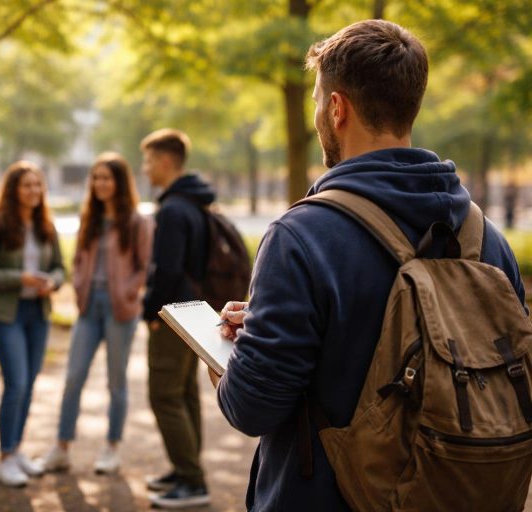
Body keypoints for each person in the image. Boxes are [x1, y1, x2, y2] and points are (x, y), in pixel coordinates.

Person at [212, 20, 527, 511]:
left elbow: (252, 407)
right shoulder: (485, 238)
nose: (317, 112)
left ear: (337, 108)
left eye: (318, 100)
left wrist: (231, 369)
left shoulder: (301, 238)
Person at [42, 152, 154, 474]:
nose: (100, 183)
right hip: (89, 307)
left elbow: (145, 266)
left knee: (116, 382)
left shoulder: (137, 221)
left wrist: (127, 291)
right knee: (74, 376)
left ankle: (111, 447)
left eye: (107, 177)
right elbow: (78, 258)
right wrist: (79, 286)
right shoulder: (88, 218)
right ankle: (61, 447)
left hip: (121, 309)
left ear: (119, 183)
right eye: (96, 177)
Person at [0, 161, 65, 487]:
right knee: (15, 383)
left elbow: (59, 268)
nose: (33, 191)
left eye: (37, 185)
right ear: (13, 190)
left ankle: (16, 450)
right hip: (5, 315)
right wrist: (21, 278)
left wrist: (52, 283)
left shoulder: (46, 227)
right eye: (26, 185)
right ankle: (4, 457)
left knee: (28, 385)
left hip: (37, 314)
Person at [140, 128, 214, 508]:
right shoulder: (195, 203)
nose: (145, 167)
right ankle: (184, 468)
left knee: (165, 396)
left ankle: (192, 480)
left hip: (173, 315)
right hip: (195, 311)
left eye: (149, 160)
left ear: (166, 162)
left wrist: (148, 309)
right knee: (185, 393)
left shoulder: (172, 208)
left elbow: (165, 270)